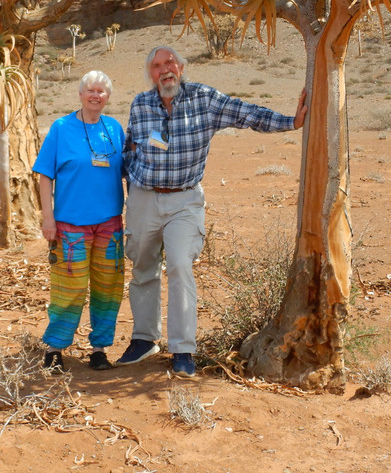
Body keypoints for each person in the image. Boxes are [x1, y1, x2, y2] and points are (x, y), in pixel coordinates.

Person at [116, 46, 307, 378]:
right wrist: (131, 184)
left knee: (179, 265)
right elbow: (131, 146)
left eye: (170, 63)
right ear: (151, 73)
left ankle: (182, 349)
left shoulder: (205, 99)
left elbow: (246, 113)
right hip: (144, 199)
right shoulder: (140, 104)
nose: (165, 70)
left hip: (185, 201)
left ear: (182, 66)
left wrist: (291, 121)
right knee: (143, 269)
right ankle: (145, 339)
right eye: (157, 65)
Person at [33, 70, 126, 373]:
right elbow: (44, 175)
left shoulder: (114, 128)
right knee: (68, 288)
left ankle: (99, 349)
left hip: (109, 225)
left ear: (108, 97)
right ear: (80, 94)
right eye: (90, 90)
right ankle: (56, 349)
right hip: (70, 224)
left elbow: (129, 173)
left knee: (107, 287)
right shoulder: (61, 128)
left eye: (101, 91)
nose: (95, 96)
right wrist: (48, 218)